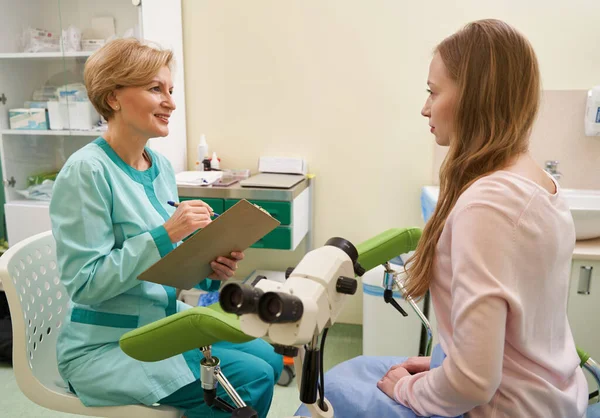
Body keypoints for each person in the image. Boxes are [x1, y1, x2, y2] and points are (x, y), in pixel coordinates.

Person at [298, 19, 589, 418]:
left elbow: (473, 382)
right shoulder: (541, 184)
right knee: (356, 374)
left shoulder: (486, 205)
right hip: (550, 396)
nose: (425, 107)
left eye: (433, 92)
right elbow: (512, 340)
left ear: (475, 97)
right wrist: (441, 367)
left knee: (327, 397)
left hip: (507, 407)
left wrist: (408, 387)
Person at [49, 38, 282, 418]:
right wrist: (166, 234)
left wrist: (208, 267)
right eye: (155, 89)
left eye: (170, 90)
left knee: (268, 359)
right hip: (106, 346)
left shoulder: (157, 166)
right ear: (113, 97)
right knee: (250, 378)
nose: (171, 102)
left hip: (158, 323)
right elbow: (84, 283)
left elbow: (162, 269)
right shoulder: (86, 171)